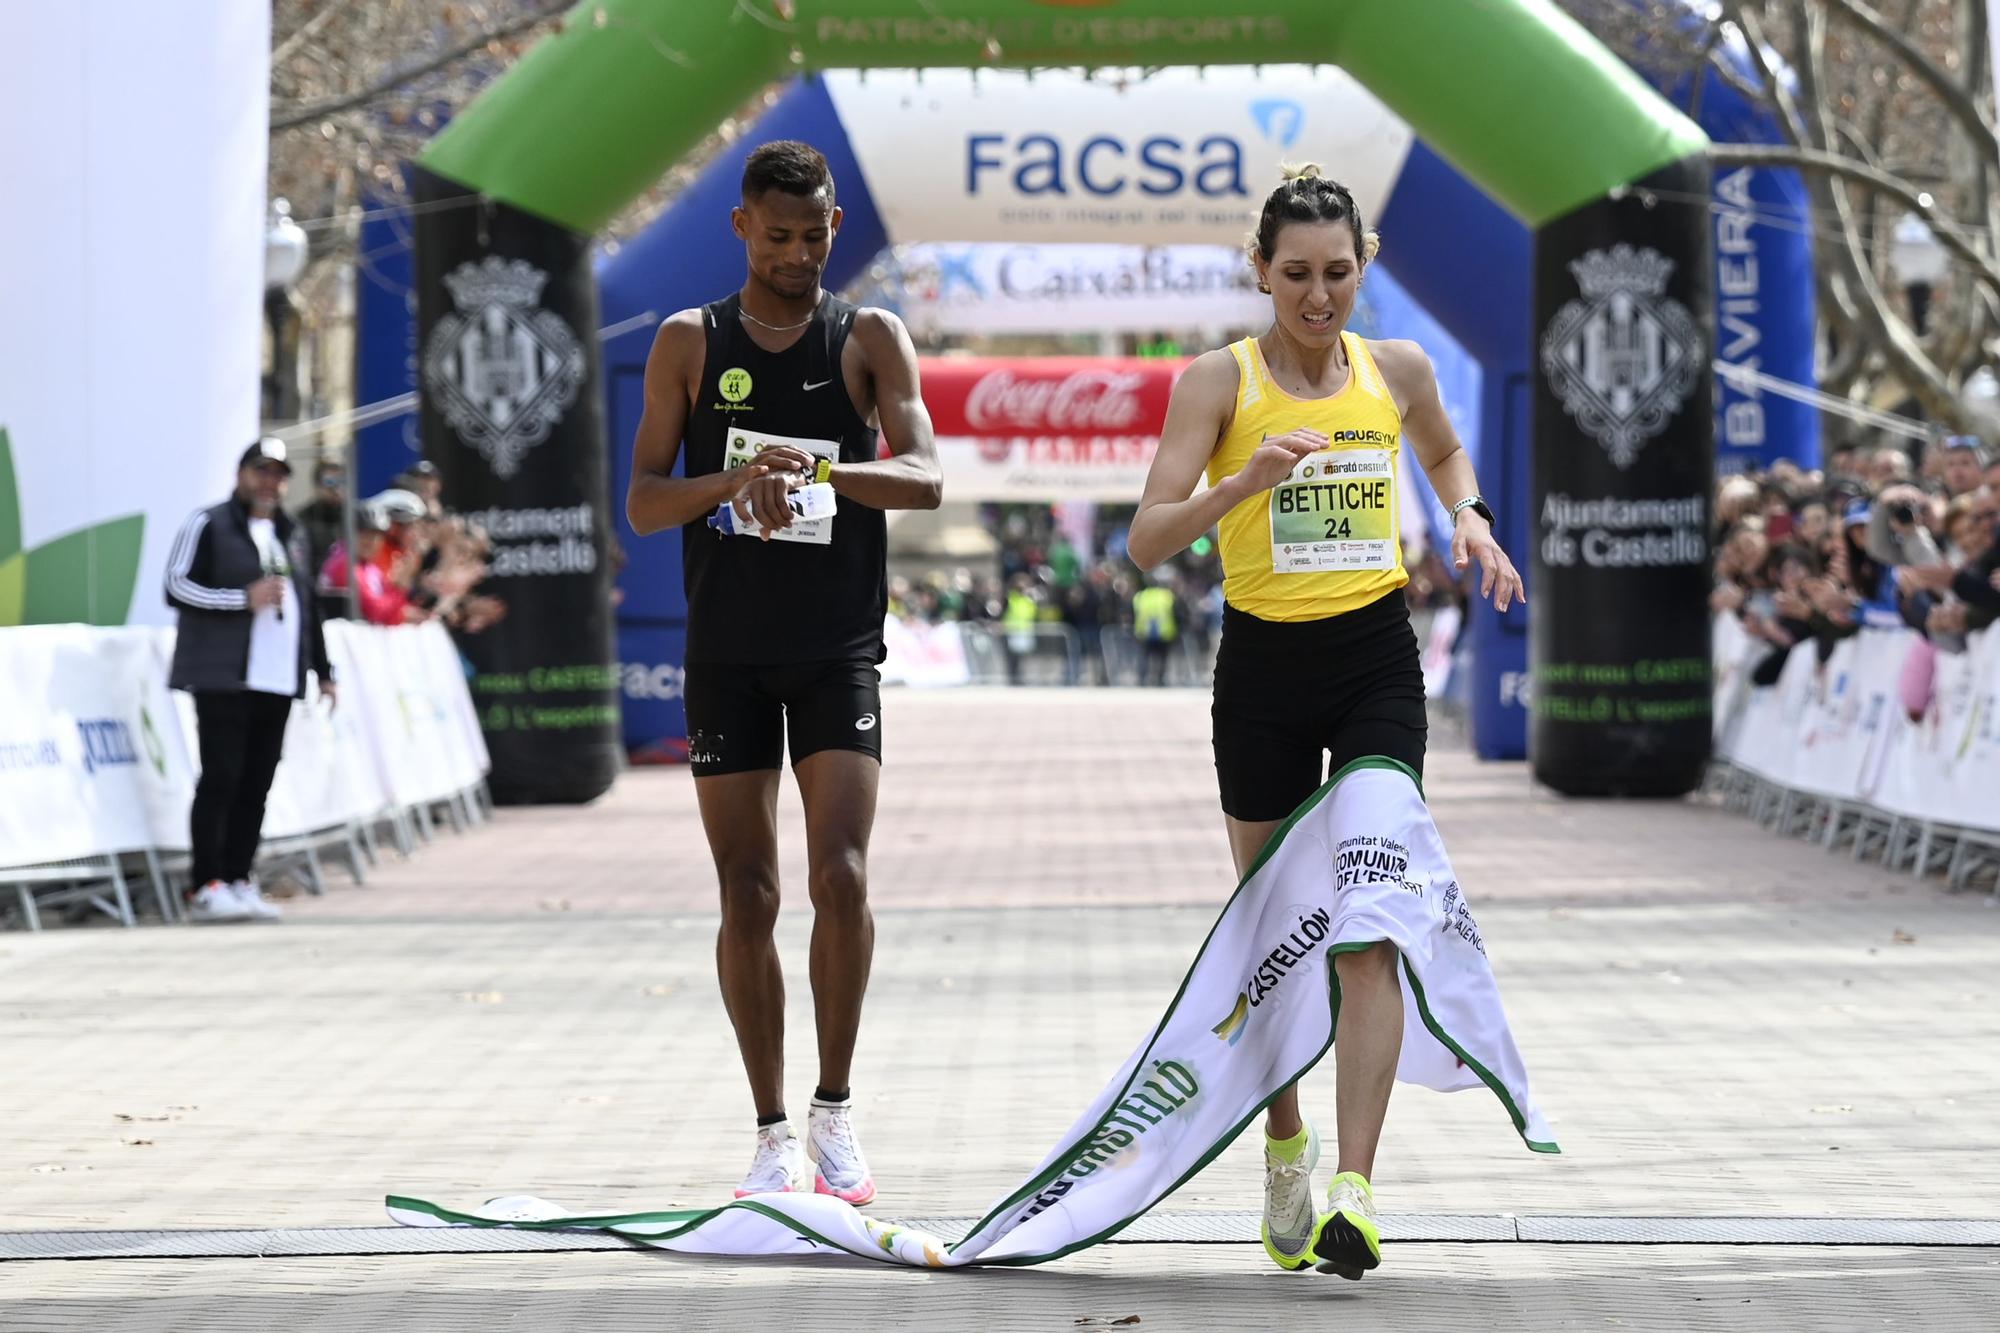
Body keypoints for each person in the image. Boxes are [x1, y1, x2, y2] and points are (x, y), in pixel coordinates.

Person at [1126, 164, 1525, 1280]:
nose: (1316, 294)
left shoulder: (1395, 368)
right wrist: (1237, 483)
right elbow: (1145, 540)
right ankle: (1285, 1142)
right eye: (1293, 273)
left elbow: (1444, 450)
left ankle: (1354, 1186)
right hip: (1259, 668)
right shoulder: (1217, 380)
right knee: (1272, 936)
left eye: (1336, 272)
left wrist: (1470, 520)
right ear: (1258, 270)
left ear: (1366, 265)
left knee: (1367, 915)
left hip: (1372, 663)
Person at [625, 140, 942, 1205]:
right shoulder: (688, 341)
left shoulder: (867, 337)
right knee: (746, 889)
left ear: (835, 230)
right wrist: (732, 480)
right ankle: (767, 1133)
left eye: (813, 238)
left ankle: (835, 1111)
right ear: (740, 230)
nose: (797, 256)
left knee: (839, 874)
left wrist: (818, 469)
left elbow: (924, 476)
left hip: (835, 646)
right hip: (726, 651)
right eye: (777, 239)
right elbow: (642, 499)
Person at [164, 439, 335, 924]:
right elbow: (175, 585)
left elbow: (311, 606)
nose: (270, 482)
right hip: (224, 675)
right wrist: (242, 598)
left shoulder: (291, 533)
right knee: (221, 777)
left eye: (279, 474)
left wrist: (323, 671)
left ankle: (239, 877)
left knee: (257, 783)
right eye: (261, 471)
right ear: (241, 474)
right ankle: (206, 883)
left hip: (277, 678)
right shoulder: (210, 523)